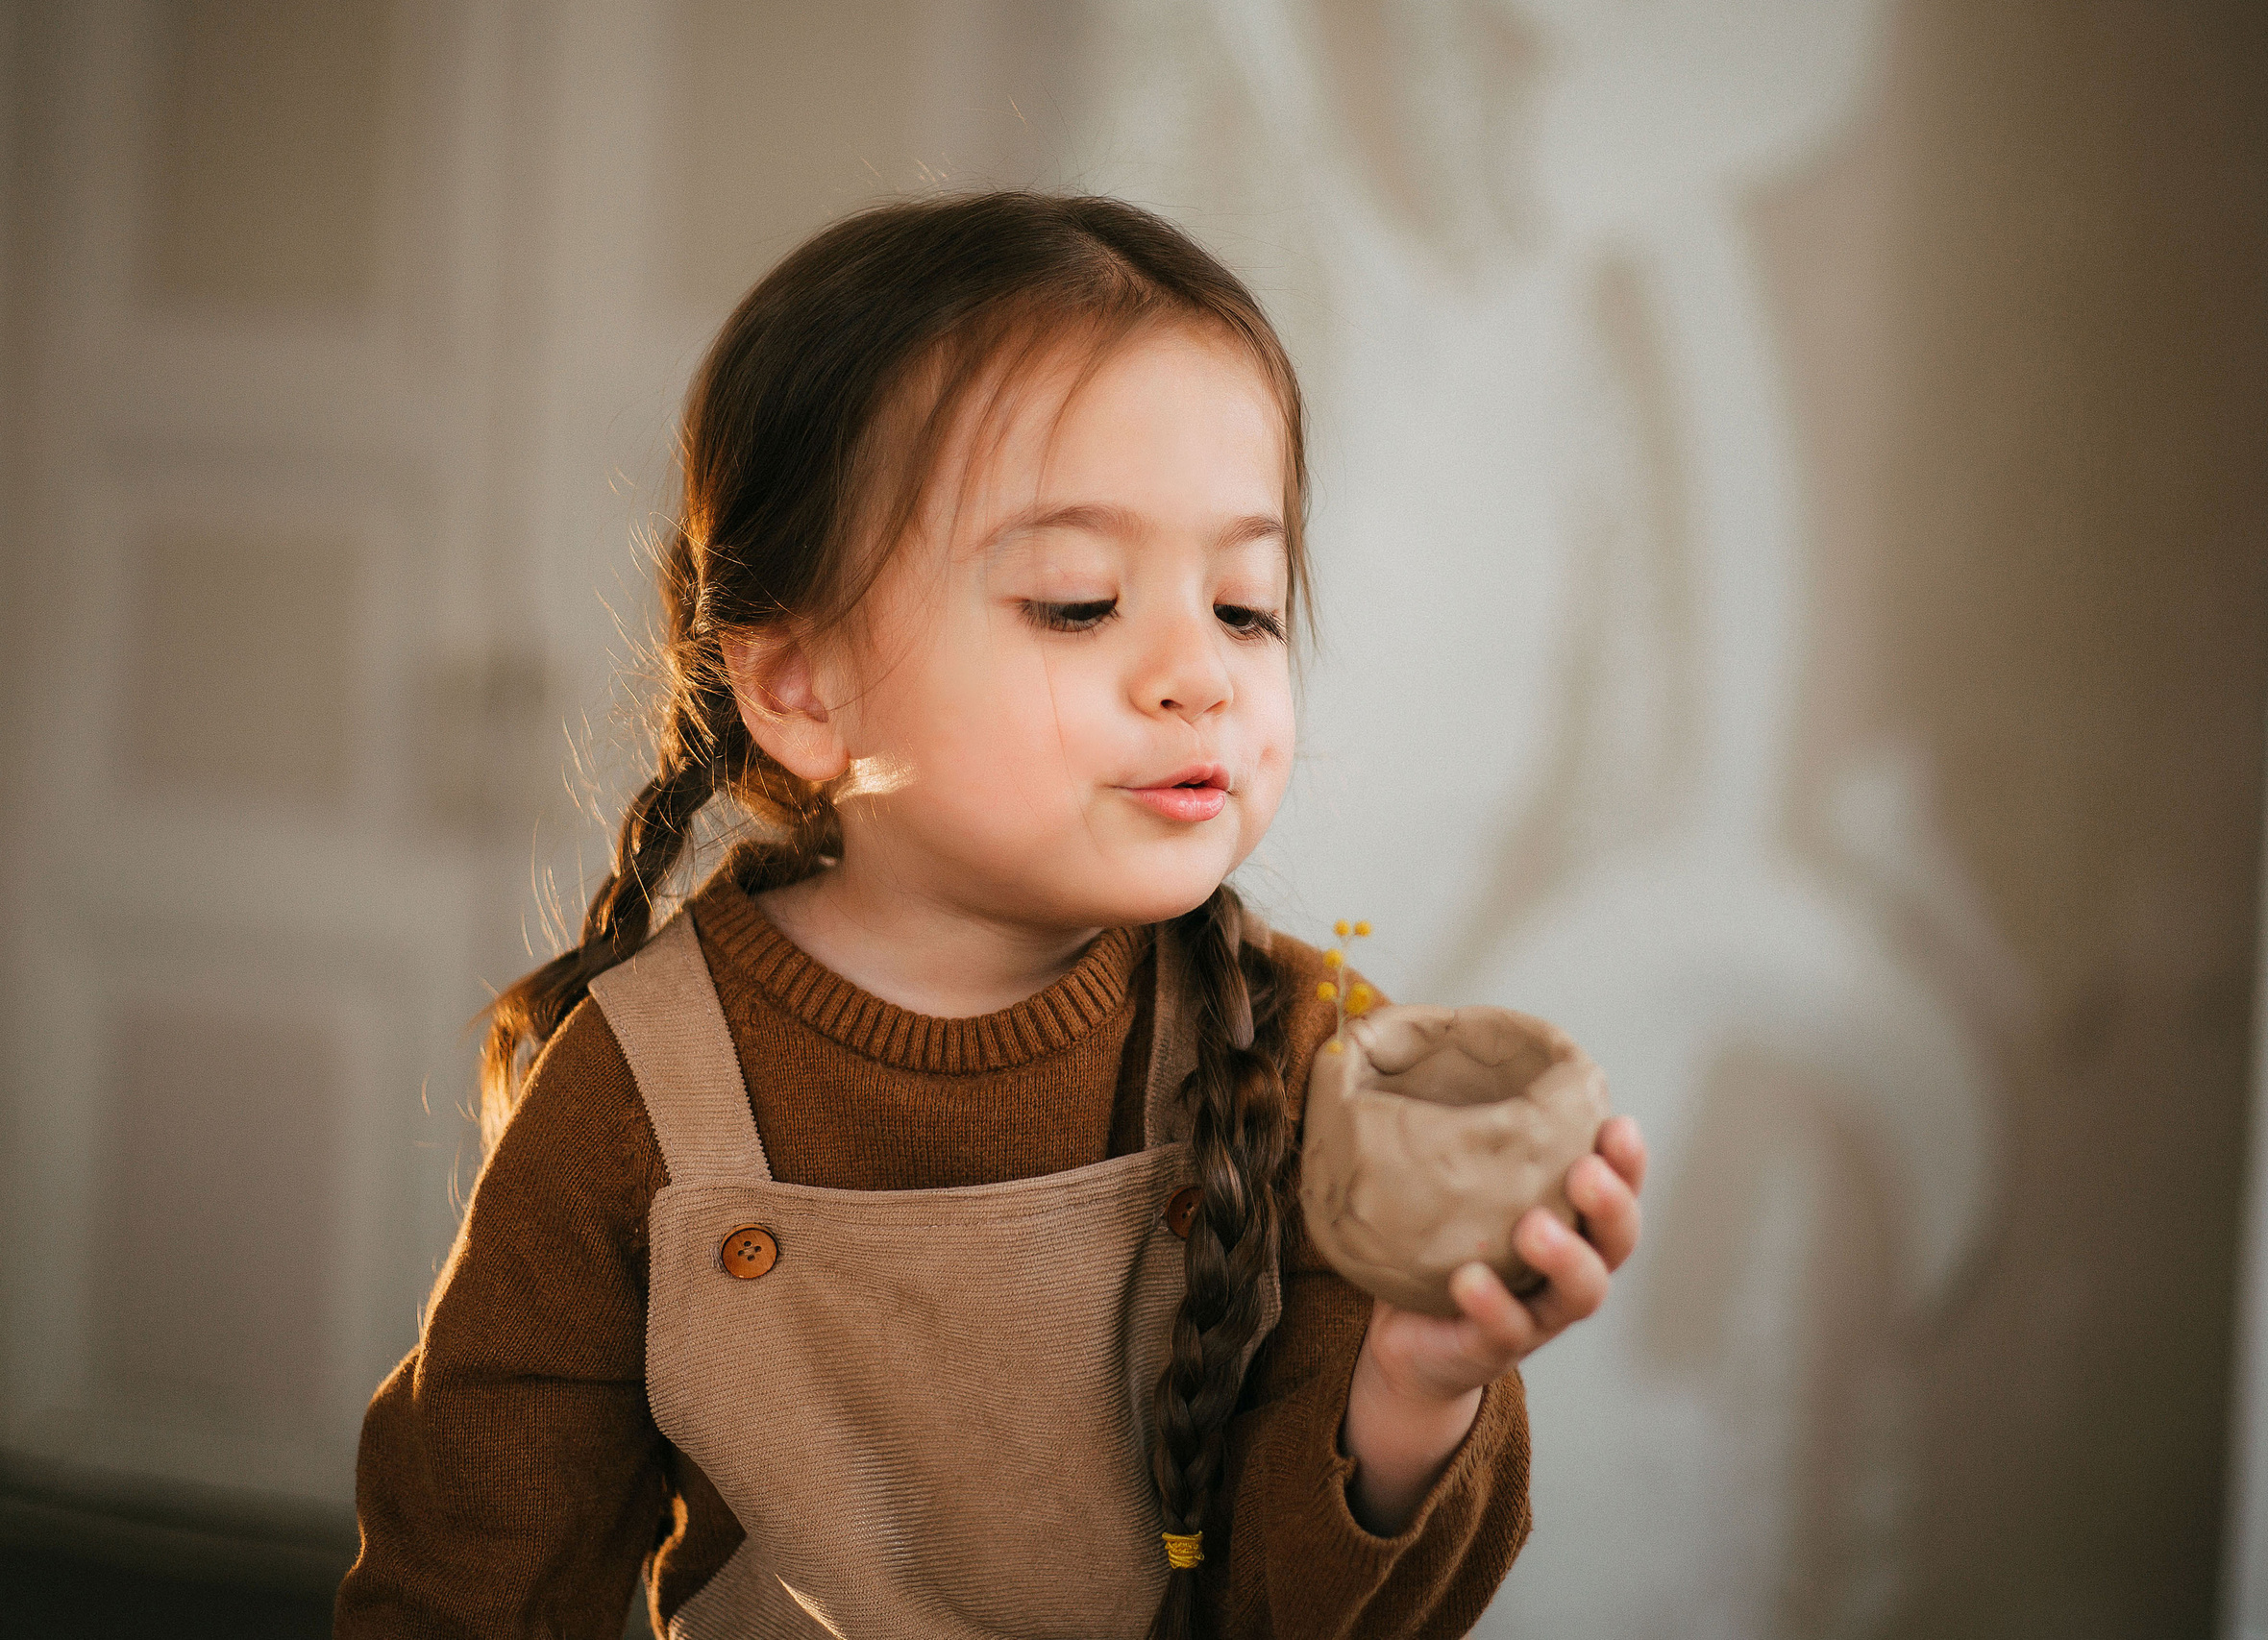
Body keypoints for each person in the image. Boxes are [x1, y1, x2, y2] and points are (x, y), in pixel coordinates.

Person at [336, 191, 1646, 1640]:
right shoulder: (635, 1089)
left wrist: (1419, 1382)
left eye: (1245, 606)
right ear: (798, 687)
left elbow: (1309, 1617)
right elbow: (469, 1572)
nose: (1197, 675)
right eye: (1080, 604)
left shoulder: (1319, 1063)